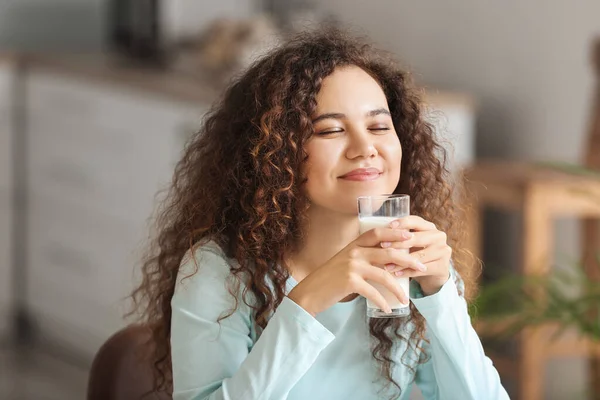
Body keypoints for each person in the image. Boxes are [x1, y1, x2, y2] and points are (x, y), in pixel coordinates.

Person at [130, 28, 509, 400]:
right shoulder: (221, 270)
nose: (365, 148)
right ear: (273, 152)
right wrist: (306, 304)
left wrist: (441, 297)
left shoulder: (410, 265)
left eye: (379, 126)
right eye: (330, 131)